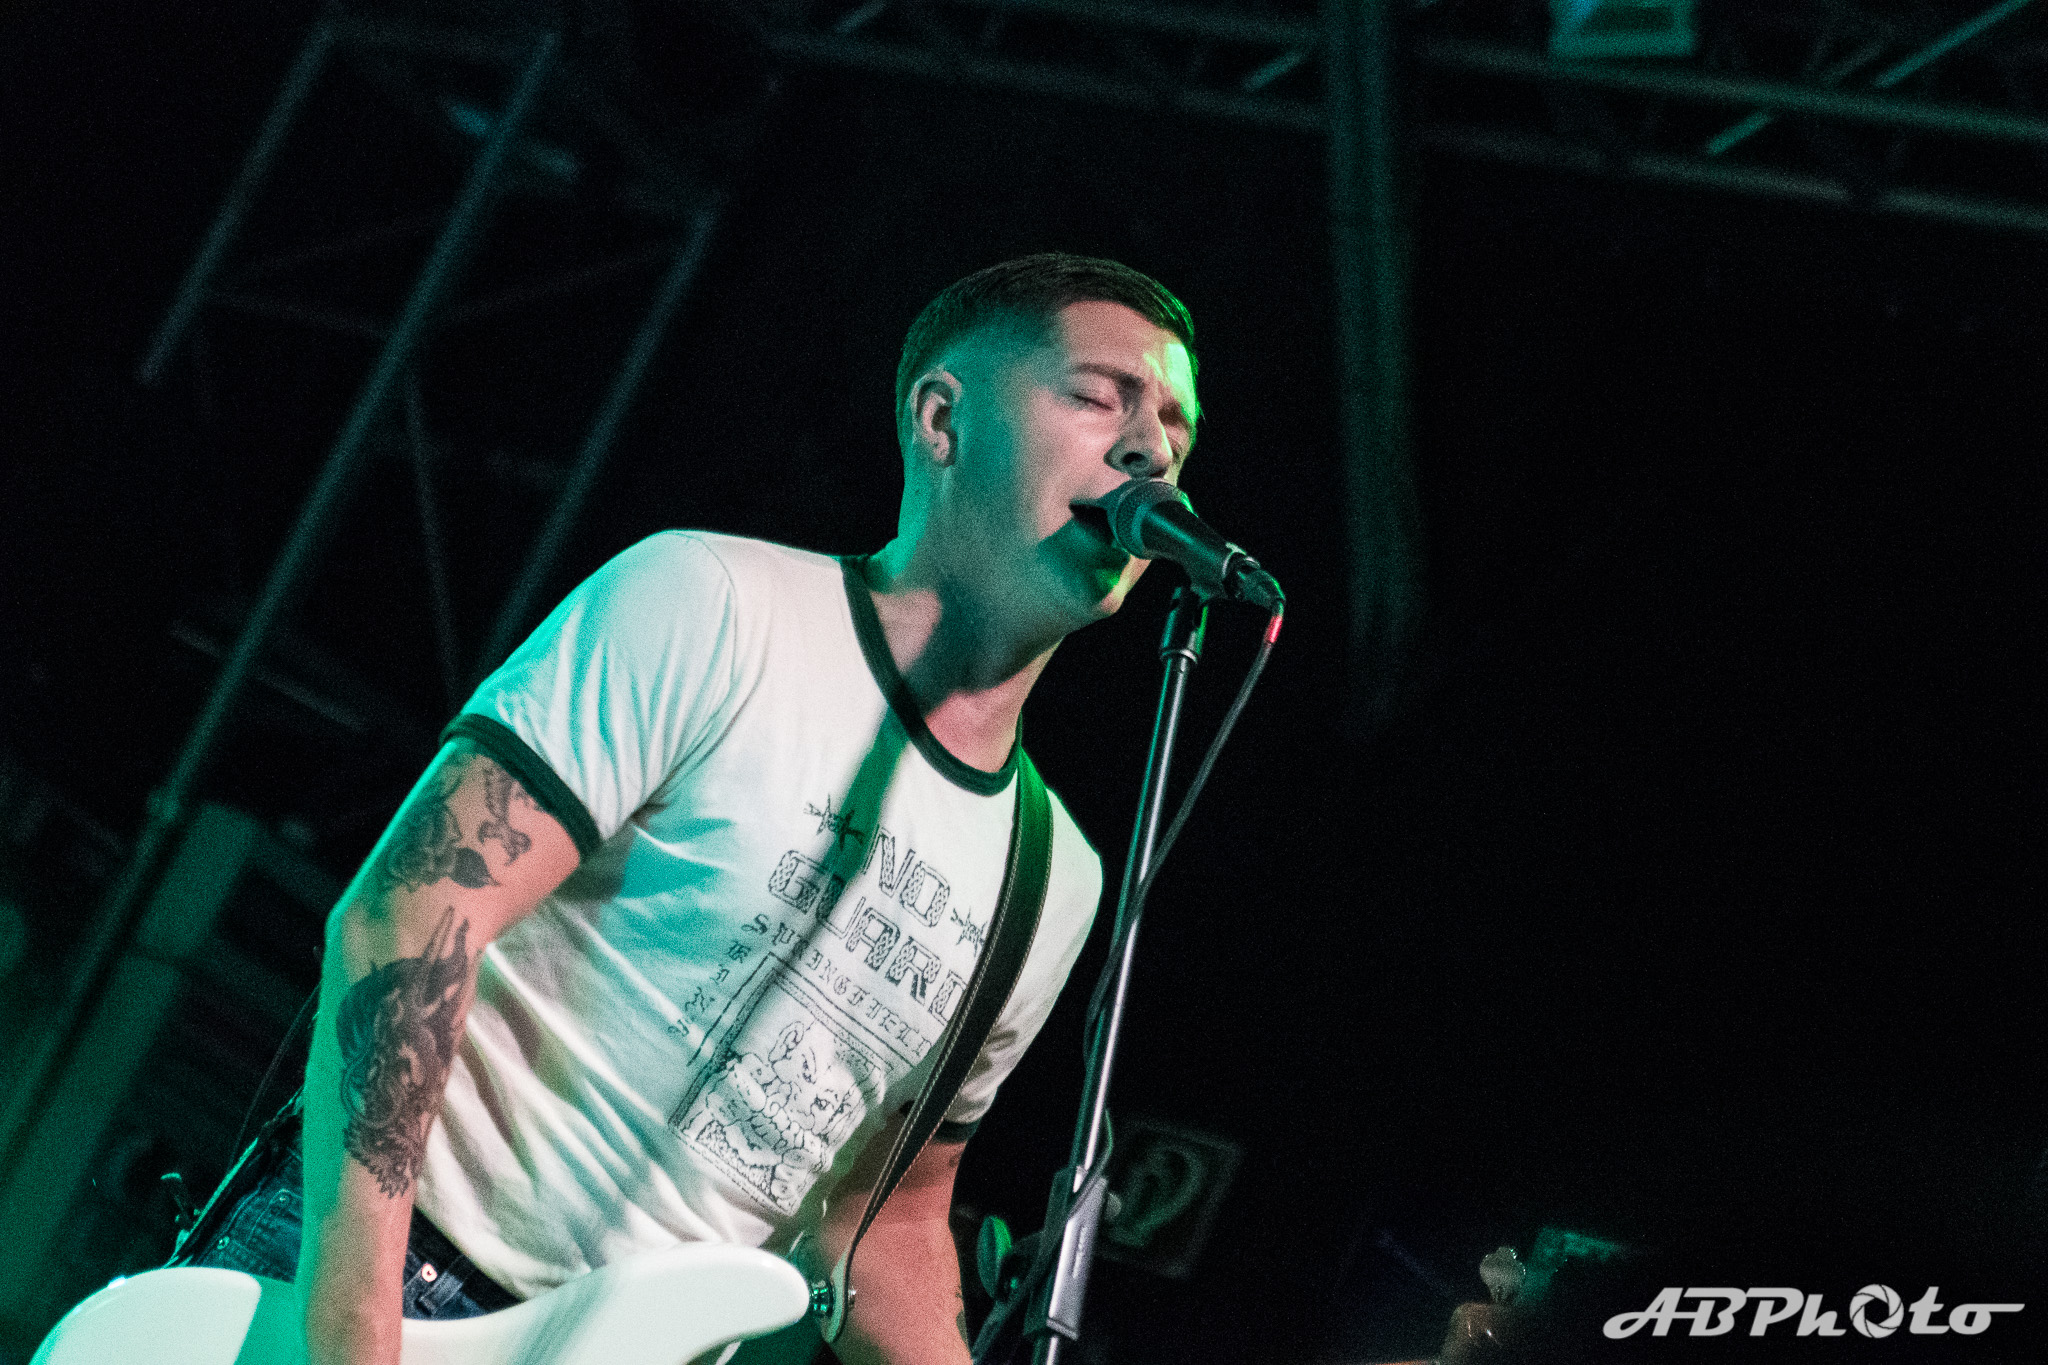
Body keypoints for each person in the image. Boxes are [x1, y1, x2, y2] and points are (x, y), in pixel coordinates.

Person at [189, 253, 1203, 1365]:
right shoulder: (712, 605)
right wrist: (353, 1338)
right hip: (389, 1285)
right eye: (1097, 397)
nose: (1149, 449)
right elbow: (410, 917)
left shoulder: (1053, 882)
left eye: (1175, 428)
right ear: (940, 421)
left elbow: (879, 1220)